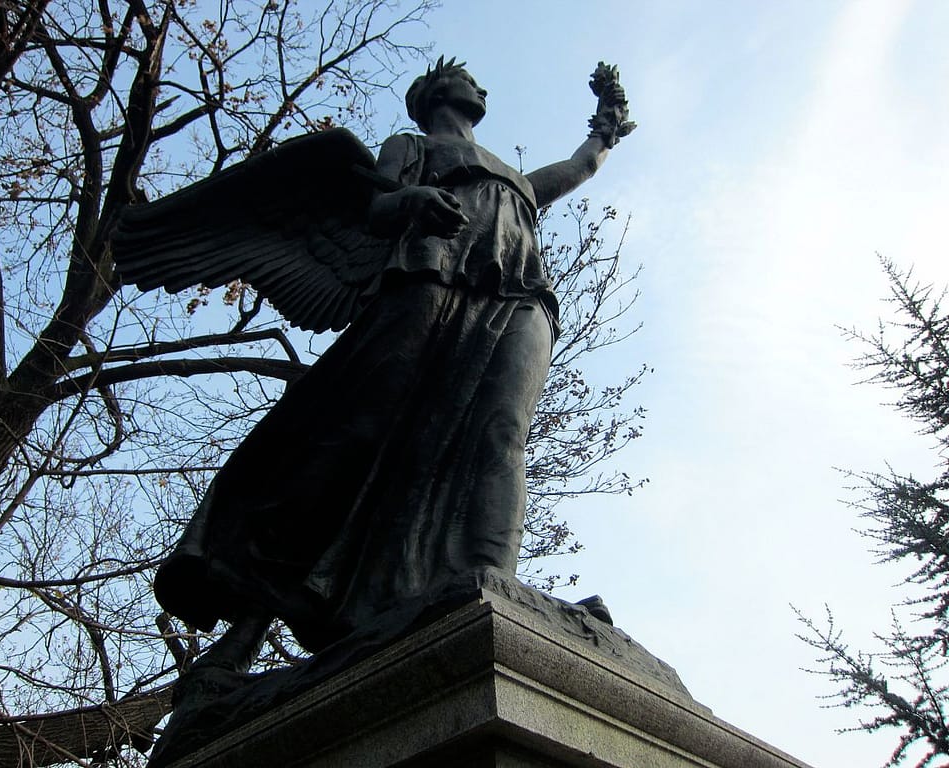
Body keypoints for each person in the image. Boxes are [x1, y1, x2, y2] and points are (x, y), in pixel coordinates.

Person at [153, 57, 632, 683]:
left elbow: (578, 169)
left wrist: (605, 126)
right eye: (469, 77)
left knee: (501, 432)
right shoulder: (409, 146)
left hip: (516, 298)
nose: (482, 84)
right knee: (357, 443)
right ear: (437, 93)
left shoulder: (513, 179)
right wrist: (412, 199)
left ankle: (491, 589)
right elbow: (376, 211)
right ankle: (251, 619)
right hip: (426, 283)